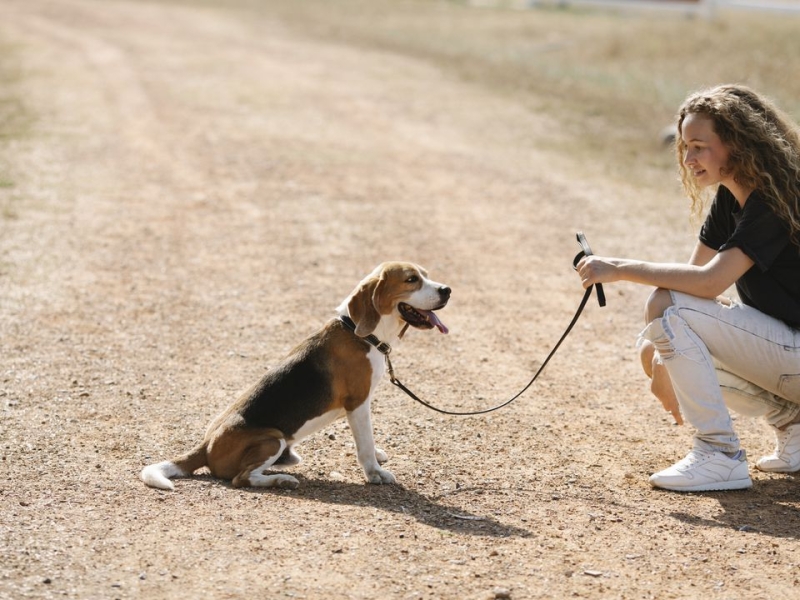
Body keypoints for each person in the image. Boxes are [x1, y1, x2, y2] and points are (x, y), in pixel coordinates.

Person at [576, 84, 800, 492]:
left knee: (664, 308)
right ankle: (794, 425)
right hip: (790, 355)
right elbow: (695, 283)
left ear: (739, 143)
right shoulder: (731, 198)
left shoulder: (774, 199)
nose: (688, 158)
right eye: (684, 146)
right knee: (656, 339)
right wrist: (658, 359)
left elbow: (710, 283)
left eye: (699, 146)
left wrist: (618, 267)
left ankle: (720, 455)